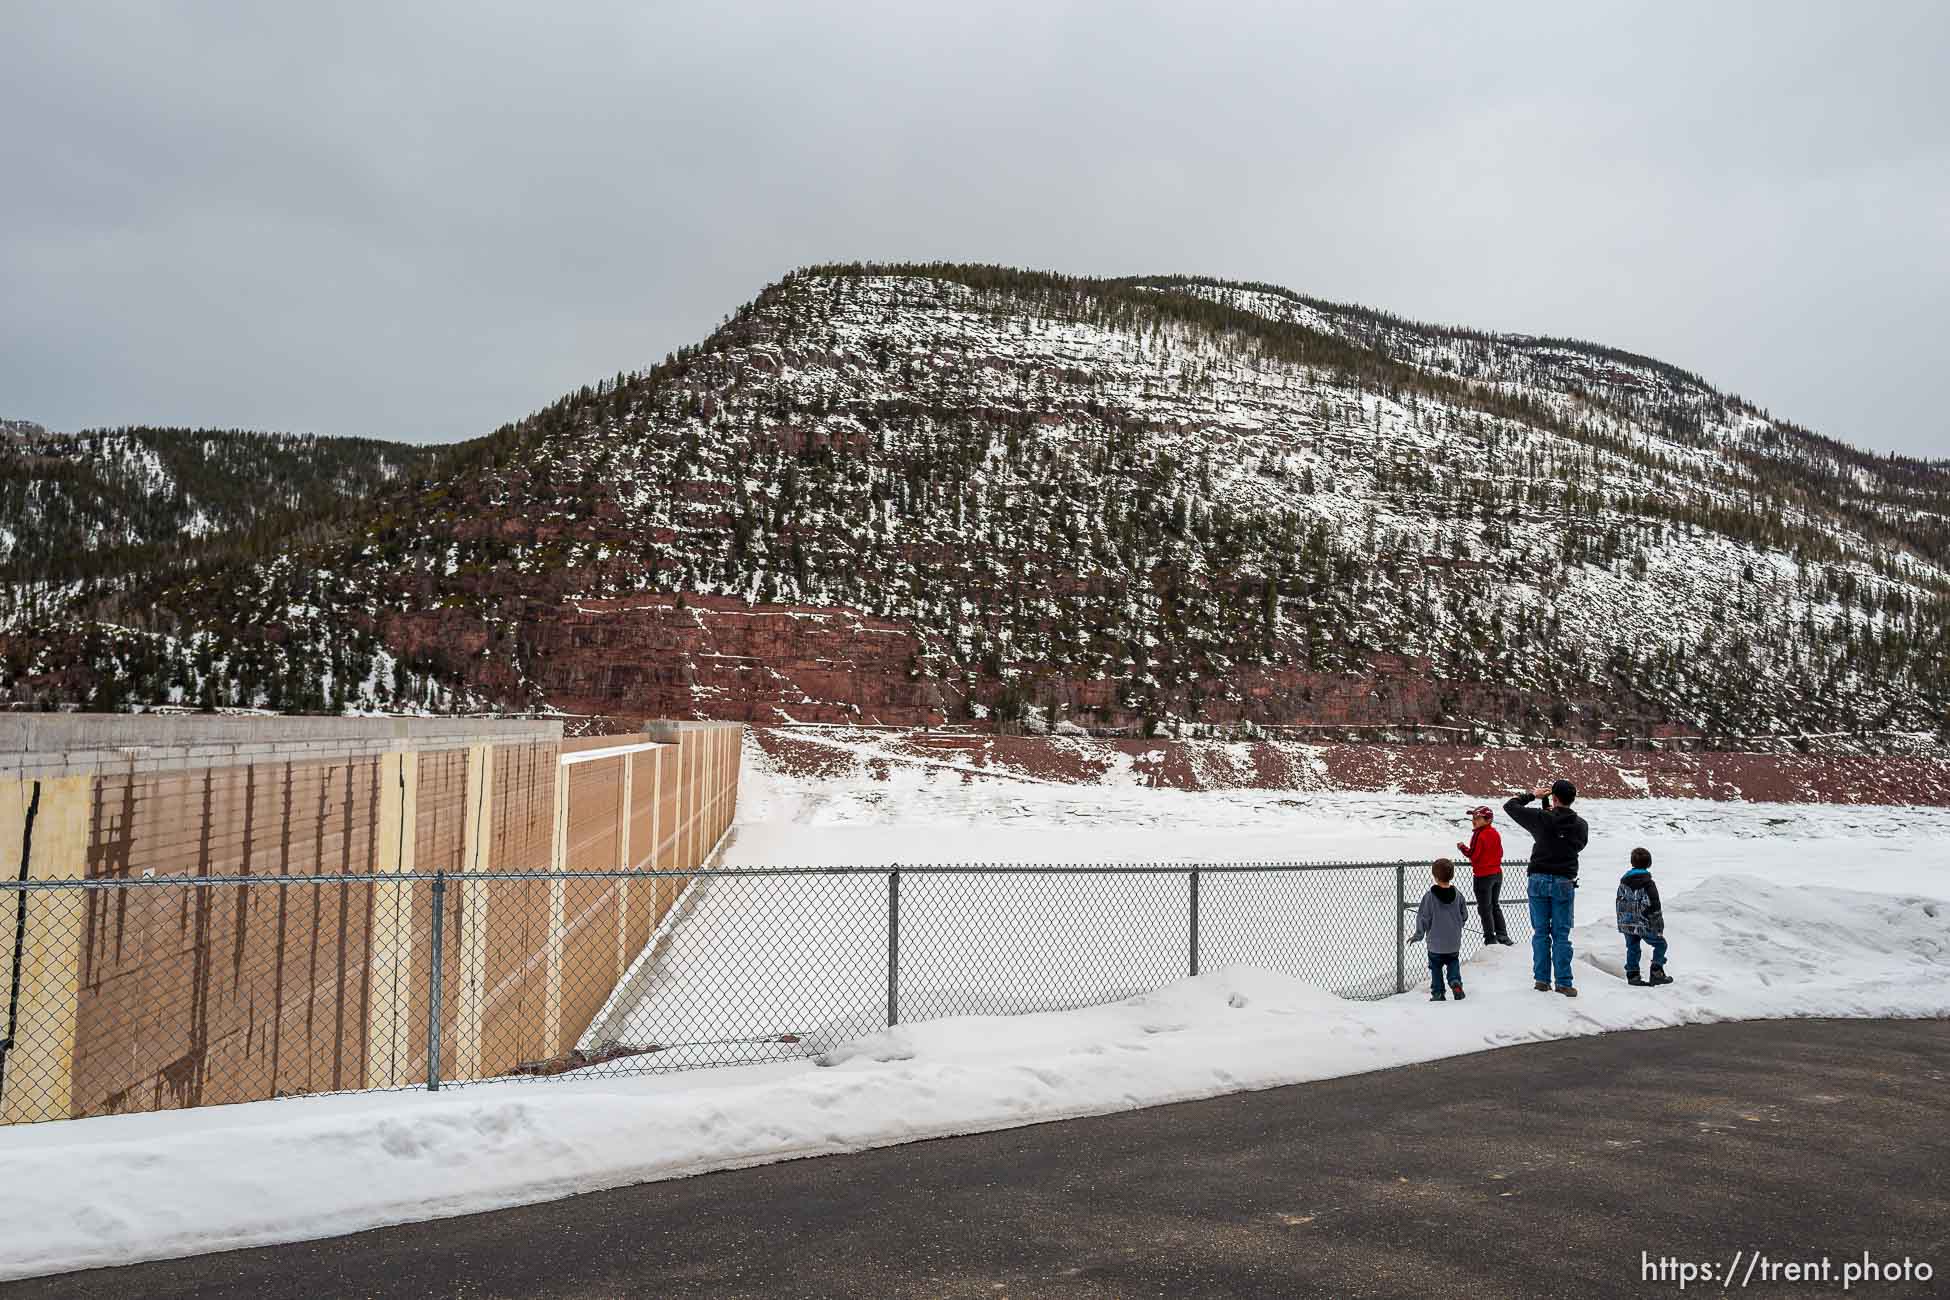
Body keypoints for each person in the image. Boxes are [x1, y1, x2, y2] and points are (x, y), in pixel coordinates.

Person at [1504, 778, 1589, 997]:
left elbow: (1510, 806)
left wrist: (1533, 796)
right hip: (1564, 881)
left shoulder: (1542, 819)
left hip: (1539, 878)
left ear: (1554, 797)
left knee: (1541, 932)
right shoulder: (1580, 825)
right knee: (1561, 934)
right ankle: (1564, 981)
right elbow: (1573, 843)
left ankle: (1542, 980)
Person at [1407, 857, 1470, 1001]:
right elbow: (1464, 915)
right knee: (1453, 962)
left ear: (1435, 877)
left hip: (1435, 944)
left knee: (1435, 967)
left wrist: (1418, 935)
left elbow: (1423, 918)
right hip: (1453, 942)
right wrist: (1457, 926)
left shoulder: (1429, 897)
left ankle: (1438, 993)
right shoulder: (1458, 895)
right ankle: (1455, 982)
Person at [1616, 846, 1672, 986]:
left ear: (1632, 863)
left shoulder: (1623, 882)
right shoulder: (1648, 883)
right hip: (1644, 923)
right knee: (1661, 944)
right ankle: (1656, 972)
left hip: (1627, 923)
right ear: (1649, 864)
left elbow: (1619, 902)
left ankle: (1633, 975)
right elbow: (1654, 905)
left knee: (1633, 947)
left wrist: (1622, 921)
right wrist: (1658, 925)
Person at [1456, 805, 1511, 945]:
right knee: (1494, 905)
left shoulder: (1479, 834)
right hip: (1497, 874)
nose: (1474, 820)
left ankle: (1490, 938)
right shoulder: (1495, 833)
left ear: (1488, 820)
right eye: (1473, 818)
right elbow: (1500, 853)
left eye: (1477, 818)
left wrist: (1462, 847)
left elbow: (1473, 855)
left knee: (1485, 907)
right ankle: (1502, 935)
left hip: (1483, 876)